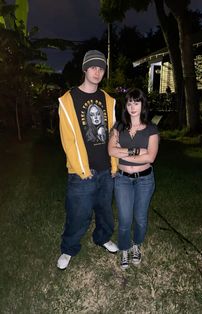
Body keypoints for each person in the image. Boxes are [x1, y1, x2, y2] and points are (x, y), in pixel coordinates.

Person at [57, 50, 118, 270]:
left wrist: (115, 165)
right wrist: (83, 170)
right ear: (84, 69)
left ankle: (102, 237)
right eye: (93, 67)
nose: (97, 71)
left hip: (106, 170)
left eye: (101, 68)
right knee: (78, 214)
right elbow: (68, 140)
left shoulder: (108, 100)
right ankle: (68, 248)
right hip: (81, 172)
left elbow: (113, 134)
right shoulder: (68, 100)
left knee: (105, 211)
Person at [108, 88, 159, 270]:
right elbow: (111, 151)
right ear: (126, 106)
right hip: (122, 180)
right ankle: (124, 248)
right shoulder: (118, 127)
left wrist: (124, 153)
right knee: (124, 218)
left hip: (144, 180)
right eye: (129, 103)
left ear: (143, 104)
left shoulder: (151, 129)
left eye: (136, 102)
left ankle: (136, 245)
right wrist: (137, 152)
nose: (132, 107)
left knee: (140, 218)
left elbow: (150, 157)